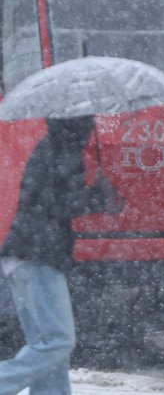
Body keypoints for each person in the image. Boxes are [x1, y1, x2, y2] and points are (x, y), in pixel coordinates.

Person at [0, 116, 124, 394]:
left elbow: (51, 199)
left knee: (47, 345)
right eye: (89, 122)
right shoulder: (63, 153)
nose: (92, 130)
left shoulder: (52, 147)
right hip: (38, 256)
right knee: (58, 341)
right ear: (78, 125)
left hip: (23, 254)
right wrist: (100, 198)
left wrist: (98, 197)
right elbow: (59, 204)